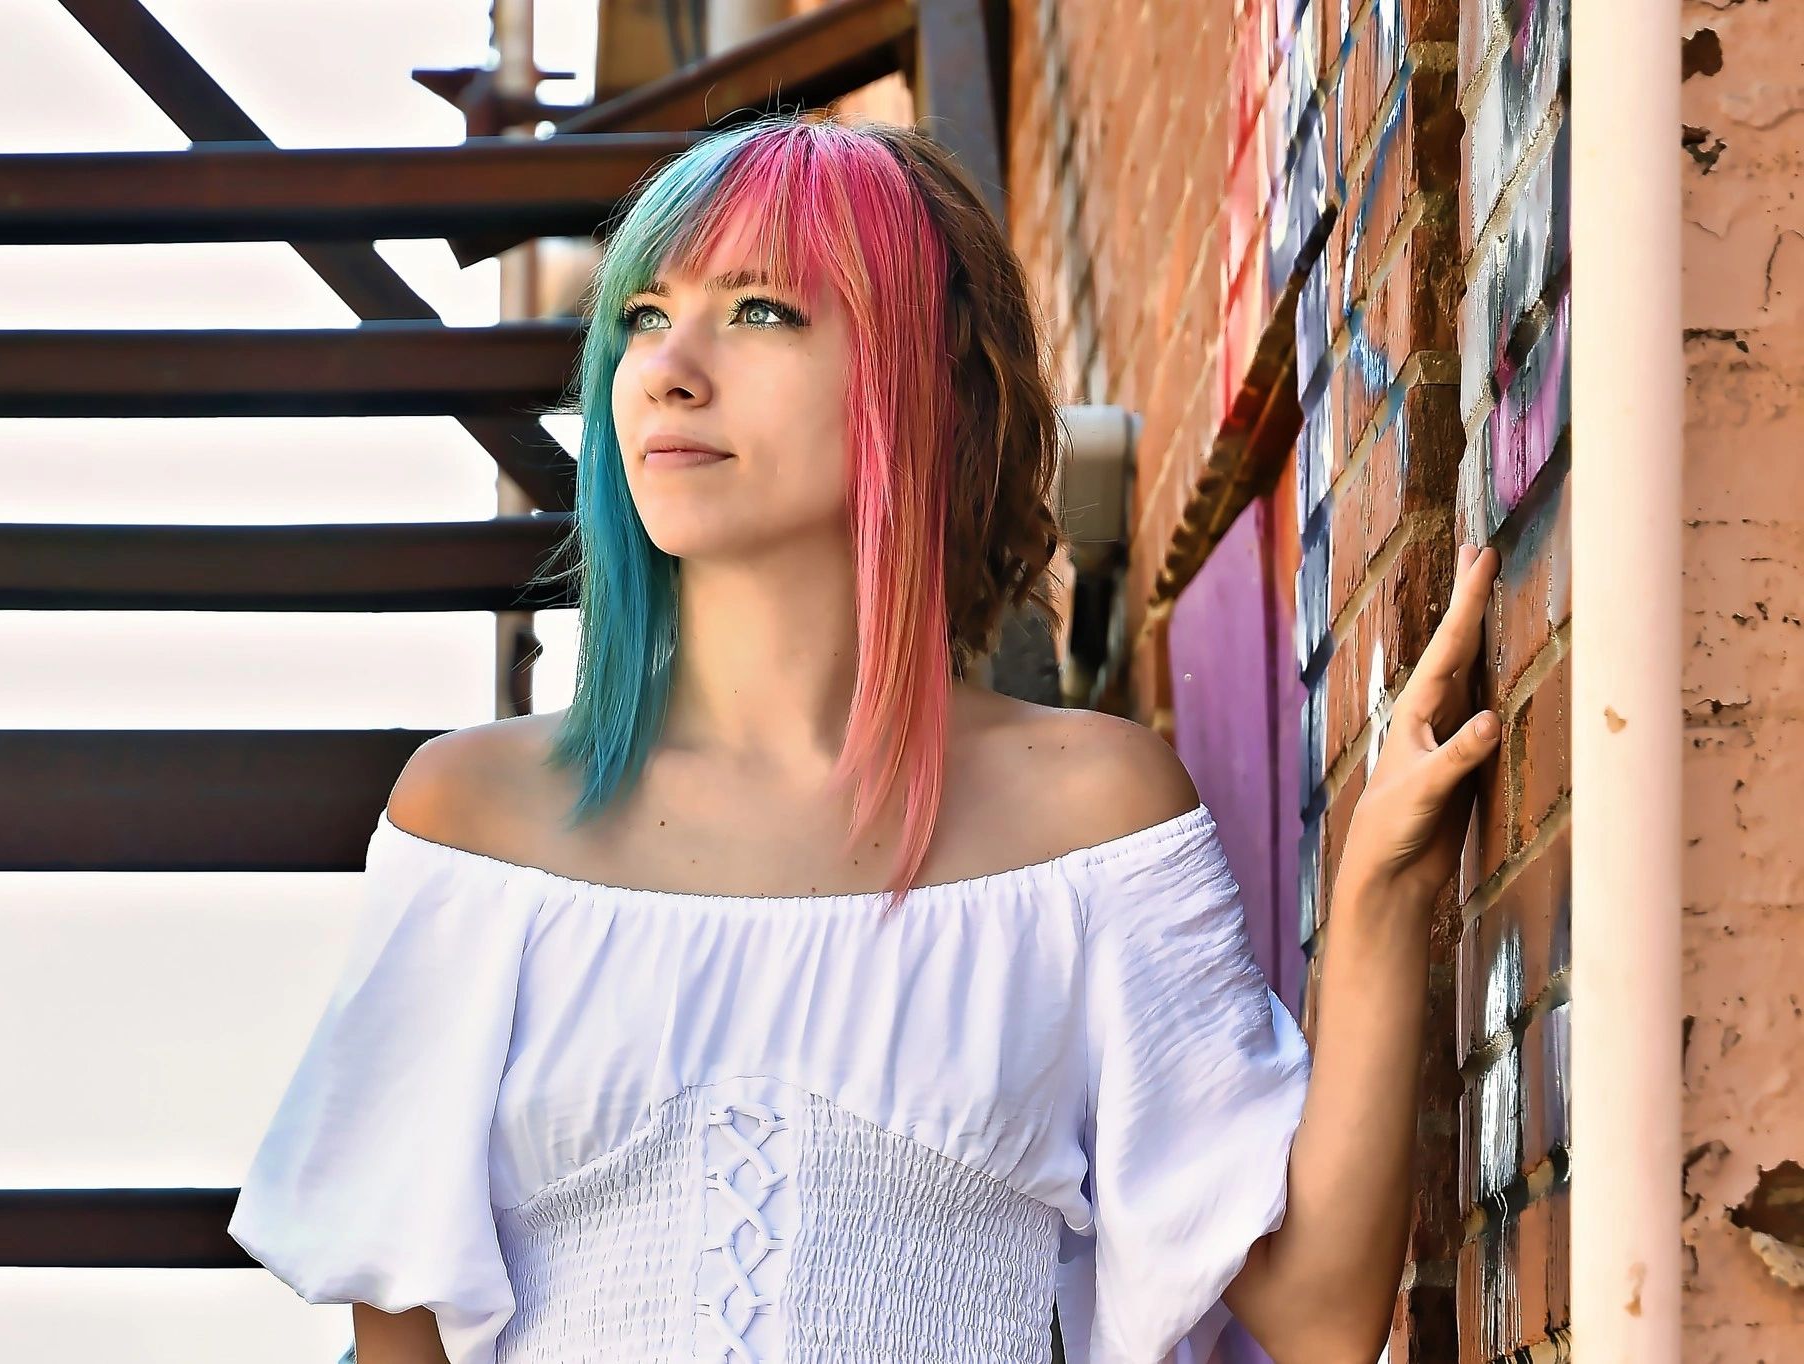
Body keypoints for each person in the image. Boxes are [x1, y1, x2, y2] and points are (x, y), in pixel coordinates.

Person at [226, 110, 1503, 1364]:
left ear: (921, 380)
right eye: (645, 315)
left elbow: (1318, 1315)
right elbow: (399, 1327)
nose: (668, 368)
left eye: (759, 310)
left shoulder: (1091, 817)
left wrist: (1380, 890)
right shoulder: (473, 820)